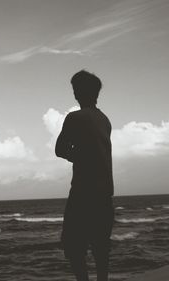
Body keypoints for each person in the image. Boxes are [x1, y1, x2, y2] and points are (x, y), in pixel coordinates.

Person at [55, 70, 114, 281]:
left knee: (73, 246)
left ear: (78, 93)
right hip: (105, 192)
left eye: (75, 89)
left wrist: (79, 156)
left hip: (83, 191)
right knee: (100, 248)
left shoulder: (75, 118)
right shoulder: (104, 119)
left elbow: (60, 149)